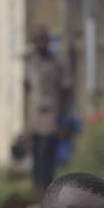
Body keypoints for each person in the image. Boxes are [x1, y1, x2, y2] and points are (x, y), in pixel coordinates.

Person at [24, 25, 73, 190]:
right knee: (36, 152)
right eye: (38, 40)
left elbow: (67, 90)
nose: (41, 44)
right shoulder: (31, 61)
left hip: (53, 113)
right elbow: (28, 87)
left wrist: (63, 119)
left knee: (48, 153)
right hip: (36, 114)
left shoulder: (59, 62)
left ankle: (47, 189)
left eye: (44, 40)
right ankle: (36, 189)